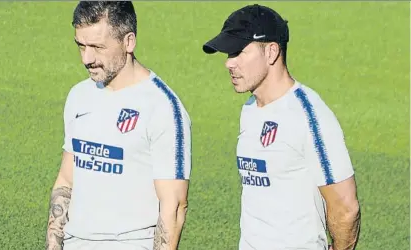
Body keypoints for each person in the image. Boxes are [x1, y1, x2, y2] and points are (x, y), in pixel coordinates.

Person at [202, 4, 361, 250]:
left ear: (271, 52)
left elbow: (346, 207)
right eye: (228, 55)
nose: (229, 64)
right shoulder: (250, 109)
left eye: (238, 52)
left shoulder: (308, 116)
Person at [45, 1, 192, 250]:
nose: (86, 59)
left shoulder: (162, 107)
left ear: (129, 42)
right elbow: (66, 181)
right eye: (81, 46)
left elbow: (174, 207)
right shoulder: (79, 95)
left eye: (97, 47)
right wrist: (53, 244)